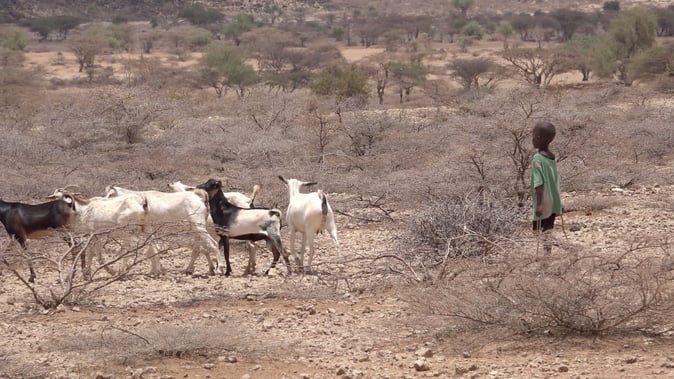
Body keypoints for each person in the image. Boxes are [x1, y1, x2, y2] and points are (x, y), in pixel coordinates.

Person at [530, 121, 562, 253]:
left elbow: (539, 182)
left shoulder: (537, 158)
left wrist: (539, 205)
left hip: (544, 200)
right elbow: (554, 180)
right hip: (554, 200)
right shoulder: (552, 157)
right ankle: (547, 255)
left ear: (537, 138)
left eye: (533, 136)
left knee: (537, 230)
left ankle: (557, 247)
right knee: (548, 228)